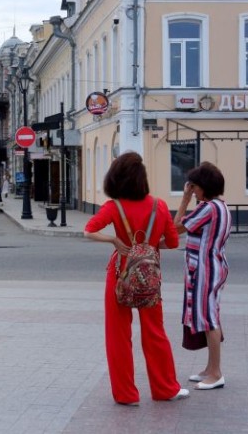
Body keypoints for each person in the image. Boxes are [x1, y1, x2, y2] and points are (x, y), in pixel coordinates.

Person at [84, 151, 188, 405]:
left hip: (120, 274)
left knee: (118, 335)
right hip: (149, 278)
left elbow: (89, 231)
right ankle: (165, 389)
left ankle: (126, 394)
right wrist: (150, 244)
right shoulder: (159, 206)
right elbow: (172, 242)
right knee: (155, 332)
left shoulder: (114, 207)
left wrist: (114, 240)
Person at [174, 162, 231, 390]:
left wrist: (184, 201)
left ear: (203, 186)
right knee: (210, 316)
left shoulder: (207, 208)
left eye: (194, 186)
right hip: (214, 267)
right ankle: (210, 368)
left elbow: (175, 228)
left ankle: (216, 373)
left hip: (205, 270)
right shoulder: (222, 206)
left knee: (209, 320)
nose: (192, 190)